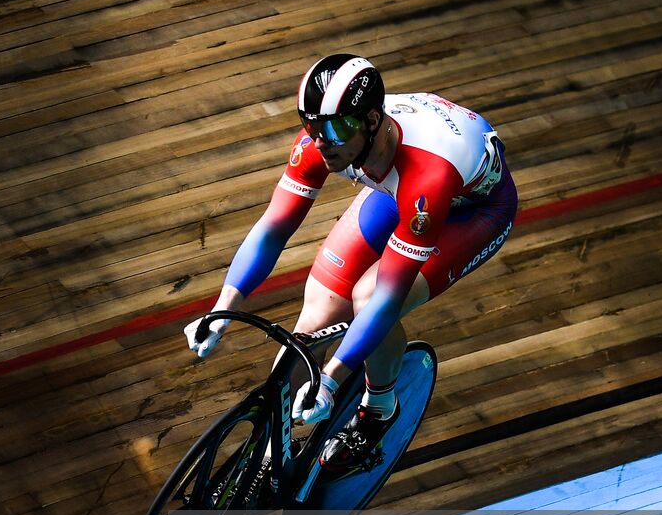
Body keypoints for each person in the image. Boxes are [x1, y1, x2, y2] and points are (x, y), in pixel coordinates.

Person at [184, 53, 517, 474]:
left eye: (336, 130)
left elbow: (387, 295)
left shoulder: (427, 174)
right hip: (393, 186)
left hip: (470, 210)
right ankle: (270, 453)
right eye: (311, 126)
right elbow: (273, 228)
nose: (322, 142)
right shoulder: (327, 138)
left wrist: (331, 377)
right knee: (318, 312)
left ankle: (379, 408)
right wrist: (222, 307)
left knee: (366, 296)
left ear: (373, 122)